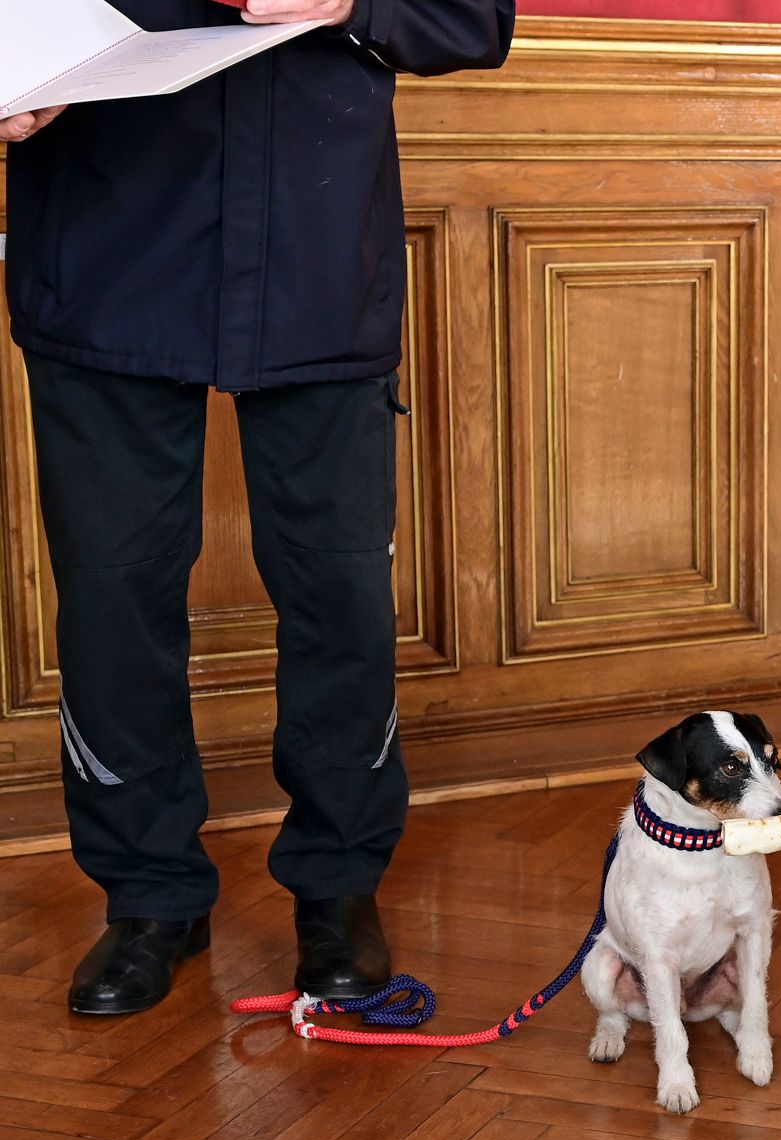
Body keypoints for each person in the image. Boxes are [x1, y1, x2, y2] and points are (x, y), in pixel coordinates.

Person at [3, 0, 516, 1016]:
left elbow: (476, 20)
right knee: (113, 595)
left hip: (319, 251)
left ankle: (337, 886)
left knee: (338, 592)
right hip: (103, 238)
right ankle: (148, 899)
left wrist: (351, 1)